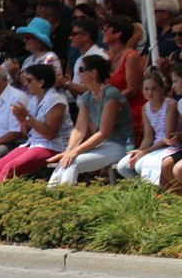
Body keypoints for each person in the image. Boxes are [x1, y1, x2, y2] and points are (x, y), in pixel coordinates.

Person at [0, 64, 72, 190]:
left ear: (41, 82)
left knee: (12, 167)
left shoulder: (56, 100)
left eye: (29, 80)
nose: (25, 83)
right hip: (33, 143)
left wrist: (26, 117)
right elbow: (26, 133)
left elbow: (49, 134)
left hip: (53, 146)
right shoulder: (34, 99)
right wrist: (21, 119)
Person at [47, 55, 132, 186]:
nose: (78, 73)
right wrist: (69, 149)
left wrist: (75, 152)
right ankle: (52, 199)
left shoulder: (111, 95)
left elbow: (104, 133)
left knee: (72, 162)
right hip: (104, 145)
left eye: (81, 69)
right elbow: (79, 129)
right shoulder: (87, 96)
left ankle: (62, 200)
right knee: (66, 159)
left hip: (121, 145)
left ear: (93, 73)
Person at [115, 70, 177, 184]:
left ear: (162, 88)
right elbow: (148, 137)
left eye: (154, 88)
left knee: (139, 165)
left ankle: (159, 189)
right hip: (155, 146)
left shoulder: (170, 105)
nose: (150, 92)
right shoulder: (145, 108)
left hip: (168, 147)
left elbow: (167, 139)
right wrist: (139, 151)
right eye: (146, 89)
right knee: (123, 166)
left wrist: (145, 152)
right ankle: (146, 189)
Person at [103, 15, 146, 131]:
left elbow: (132, 90)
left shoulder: (131, 56)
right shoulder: (110, 58)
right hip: (115, 110)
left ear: (118, 34)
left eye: (107, 28)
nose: (103, 31)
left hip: (132, 112)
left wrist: (107, 103)